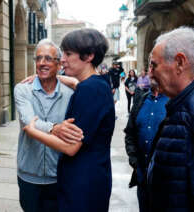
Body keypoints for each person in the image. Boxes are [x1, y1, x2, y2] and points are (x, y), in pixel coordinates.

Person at [23, 29, 115, 211]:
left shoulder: (90, 90)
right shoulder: (96, 84)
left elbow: (71, 147)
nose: (62, 59)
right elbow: (78, 84)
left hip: (83, 184)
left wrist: (32, 130)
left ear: (89, 56)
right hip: (89, 178)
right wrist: (56, 76)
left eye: (68, 53)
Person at [14, 39, 79, 212]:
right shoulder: (22, 90)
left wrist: (73, 82)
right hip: (29, 176)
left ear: (59, 65)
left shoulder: (71, 94)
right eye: (38, 58)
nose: (42, 63)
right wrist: (55, 128)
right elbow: (28, 122)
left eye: (48, 59)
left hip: (58, 177)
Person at [147, 26, 194, 211]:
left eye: (154, 65)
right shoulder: (179, 107)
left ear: (180, 62)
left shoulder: (188, 111)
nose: (149, 73)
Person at [124, 79, 168, 212]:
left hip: (166, 182)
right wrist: (135, 162)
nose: (151, 71)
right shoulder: (140, 100)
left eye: (154, 65)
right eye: (149, 66)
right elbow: (130, 134)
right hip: (143, 178)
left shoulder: (175, 101)